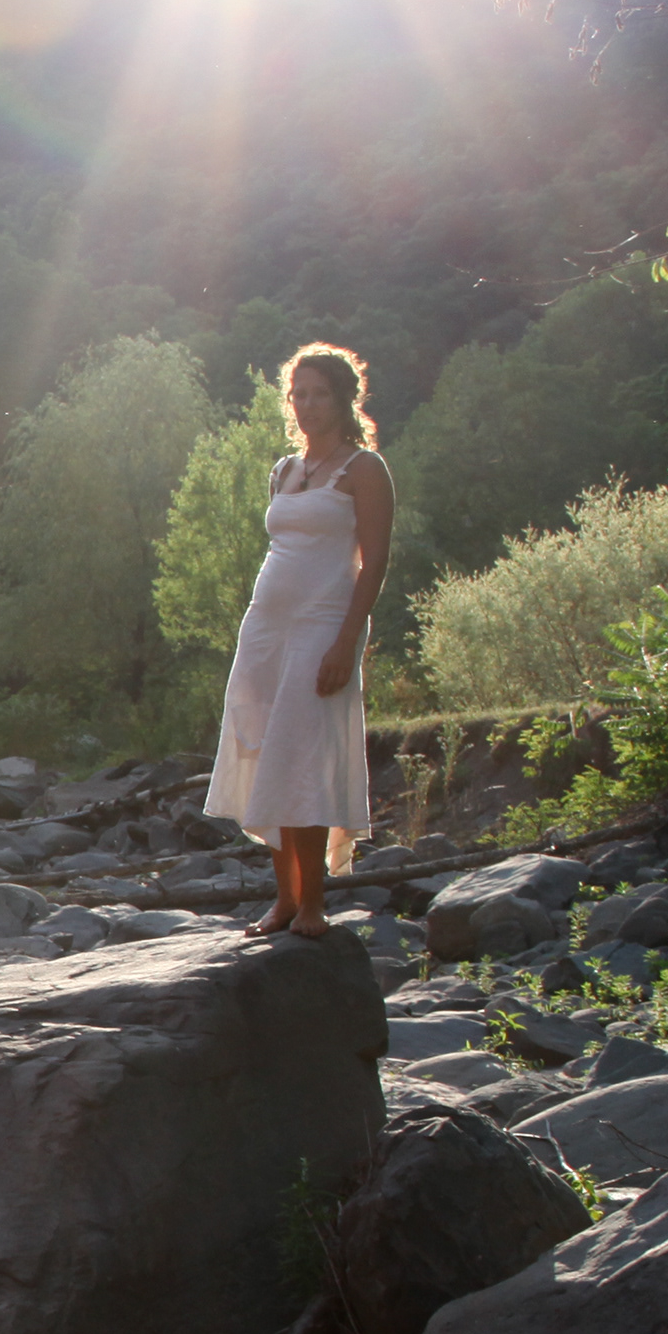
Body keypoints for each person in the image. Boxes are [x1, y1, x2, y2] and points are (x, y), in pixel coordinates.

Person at [208, 342, 390, 937]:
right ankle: (283, 899)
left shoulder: (364, 470)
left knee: (303, 755)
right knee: (265, 754)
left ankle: (313, 904)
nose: (308, 405)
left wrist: (349, 641)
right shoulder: (284, 471)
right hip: (266, 627)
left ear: (343, 400)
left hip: (322, 625)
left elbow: (375, 563)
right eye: (299, 395)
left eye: (320, 394)